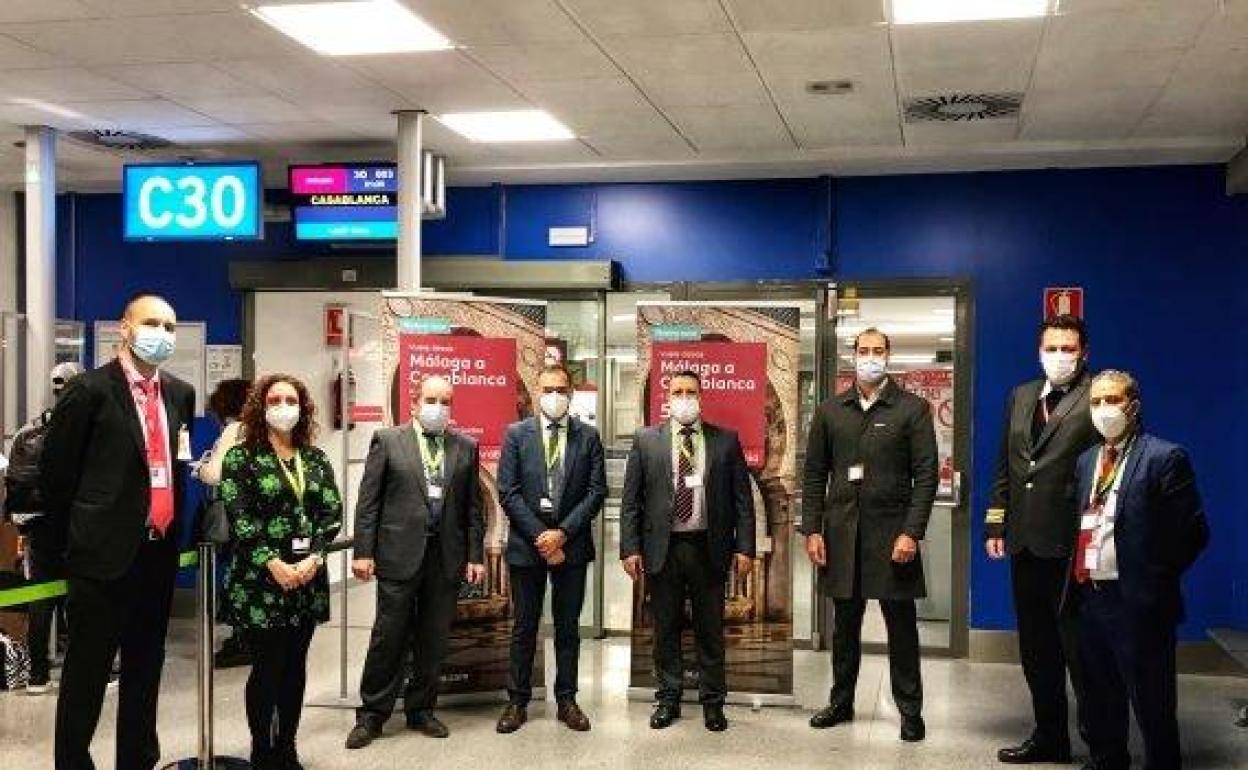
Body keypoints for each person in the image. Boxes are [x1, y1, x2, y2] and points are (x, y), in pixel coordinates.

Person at [40, 293, 195, 770]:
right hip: (100, 557)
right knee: (86, 674)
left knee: (145, 671)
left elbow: (177, 463)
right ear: (125, 327)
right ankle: (72, 762)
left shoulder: (178, 393)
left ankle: (137, 760)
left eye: (170, 327)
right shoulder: (88, 392)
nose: (162, 335)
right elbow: (56, 477)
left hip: (157, 553)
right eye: (152, 323)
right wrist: (64, 552)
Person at [800, 328, 938, 743]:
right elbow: (813, 476)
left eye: (878, 351)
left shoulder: (912, 410)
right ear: (852, 356)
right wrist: (812, 530)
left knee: (901, 627)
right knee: (844, 628)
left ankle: (910, 711)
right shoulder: (829, 411)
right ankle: (840, 703)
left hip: (893, 537)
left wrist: (911, 533)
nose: (871, 357)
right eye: (864, 351)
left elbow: (927, 476)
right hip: (842, 536)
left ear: (889, 356)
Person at [1069, 370, 1208, 770]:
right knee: (1099, 693)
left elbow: (1193, 533)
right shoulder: (1087, 460)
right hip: (1090, 594)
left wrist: (1153, 579)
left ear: (1133, 405)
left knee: (1152, 699)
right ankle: (1108, 760)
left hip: (1138, 602)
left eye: (1111, 400)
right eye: (1095, 402)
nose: (1102, 410)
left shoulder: (1165, 457)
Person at [346, 374, 485, 749]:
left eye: (445, 401)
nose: (438, 407)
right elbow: (368, 502)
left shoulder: (466, 448)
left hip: (446, 559)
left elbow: (474, 508)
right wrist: (363, 551)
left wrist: (475, 554)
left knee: (433, 638)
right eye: (431, 399)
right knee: (388, 636)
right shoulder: (388, 441)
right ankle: (373, 714)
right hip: (397, 556)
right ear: (414, 402)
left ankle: (421, 709)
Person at [986, 314, 1099, 764]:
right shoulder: (1022, 396)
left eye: (1067, 348)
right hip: (1025, 544)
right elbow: (1006, 467)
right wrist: (996, 524)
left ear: (1083, 352)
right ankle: (1050, 736)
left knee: (1082, 651)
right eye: (1051, 348)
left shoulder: (1098, 396)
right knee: (1037, 650)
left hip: (1073, 547)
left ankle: (1102, 743)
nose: (1059, 356)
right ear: (1039, 350)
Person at [620, 369, 755, 733]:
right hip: (662, 550)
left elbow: (743, 500)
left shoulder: (725, 441)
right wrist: (629, 547)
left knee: (710, 629)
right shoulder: (646, 440)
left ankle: (713, 702)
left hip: (708, 548)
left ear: (700, 396)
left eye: (690, 391)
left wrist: (745, 547)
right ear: (667, 398)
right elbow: (631, 500)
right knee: (666, 629)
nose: (683, 398)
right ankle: (668, 698)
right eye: (677, 391)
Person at [220, 374, 342, 769]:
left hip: (307, 578)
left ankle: (287, 747)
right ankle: (261, 750)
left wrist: (314, 559)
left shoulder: (315, 458)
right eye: (275, 399)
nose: (284, 406)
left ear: (303, 408)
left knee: (295, 667)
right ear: (261, 406)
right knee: (267, 667)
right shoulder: (242, 458)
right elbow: (241, 518)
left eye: (292, 399)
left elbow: (331, 514)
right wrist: (274, 563)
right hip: (261, 582)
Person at [495, 364, 607, 734]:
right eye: (548, 389)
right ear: (537, 392)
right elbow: (507, 491)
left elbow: (596, 492)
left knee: (568, 627)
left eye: (562, 389)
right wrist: (541, 537)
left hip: (571, 549)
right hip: (528, 549)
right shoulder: (515, 434)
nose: (555, 396)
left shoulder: (588, 437)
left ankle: (567, 700)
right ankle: (517, 701)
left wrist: (562, 534)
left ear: (571, 394)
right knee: (524, 626)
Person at [3, 362, 83, 694]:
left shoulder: (27, 432)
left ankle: (38, 674)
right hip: (77, 526)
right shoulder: (85, 431)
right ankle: (86, 671)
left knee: (41, 596)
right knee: (82, 599)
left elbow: (14, 484)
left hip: (36, 526)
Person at [194, 377, 252, 669]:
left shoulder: (233, 430)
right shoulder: (261, 429)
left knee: (235, 577)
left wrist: (201, 468)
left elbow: (217, 474)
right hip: (258, 515)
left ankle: (240, 641)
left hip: (234, 514)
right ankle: (250, 637)